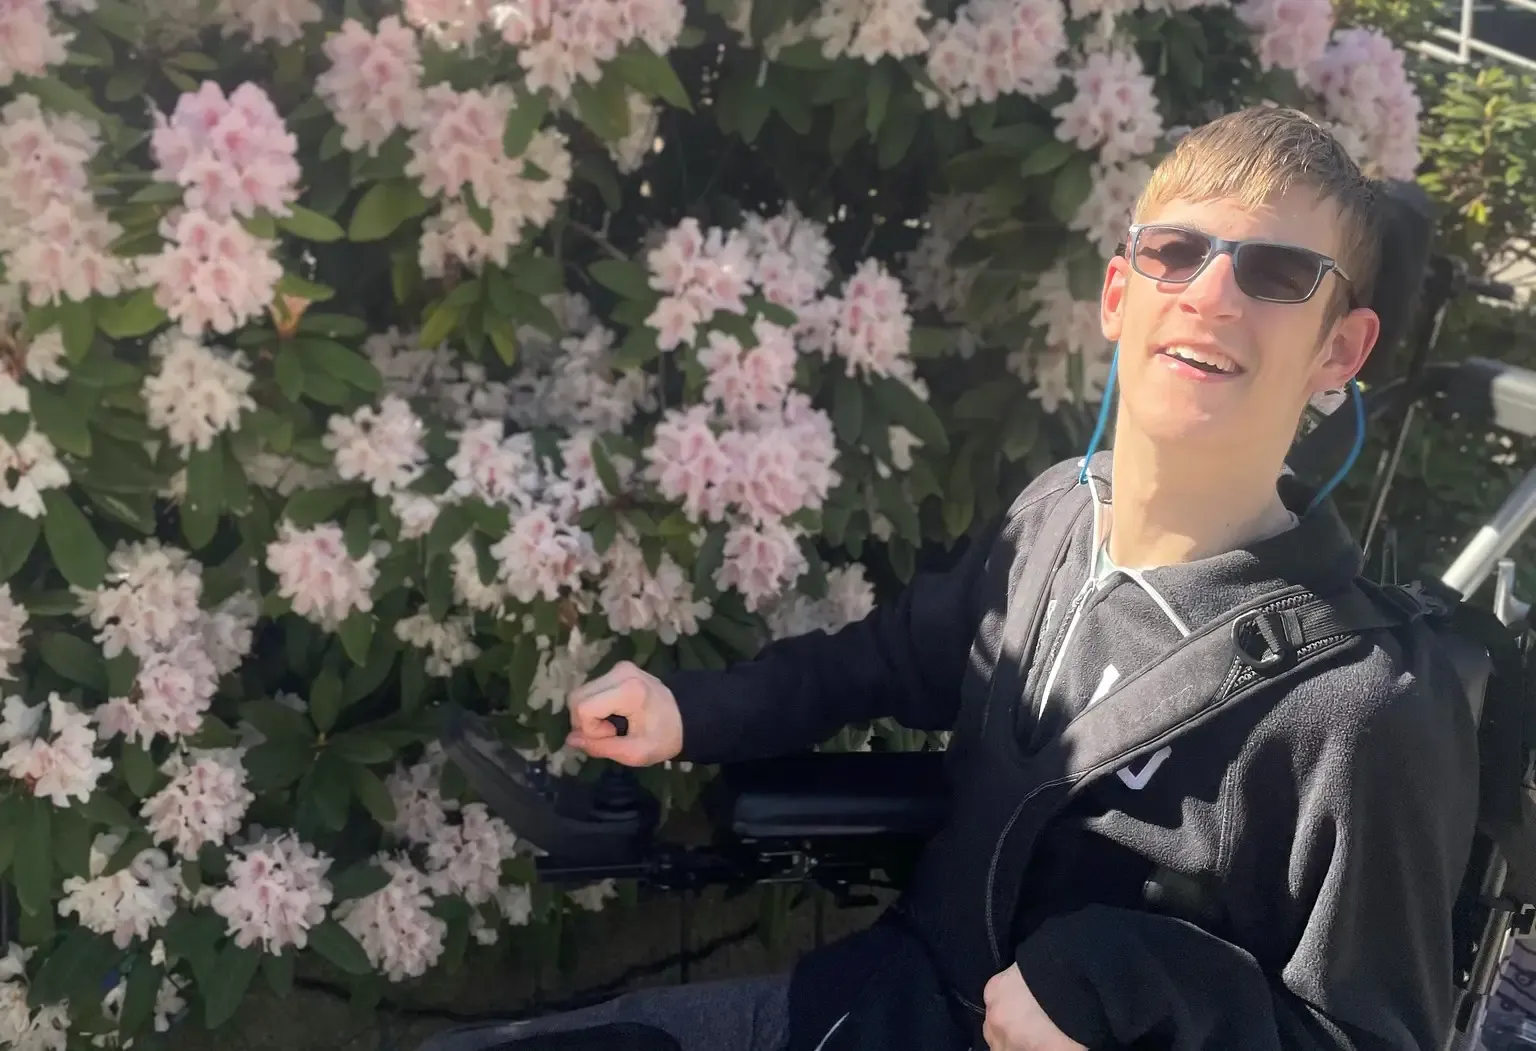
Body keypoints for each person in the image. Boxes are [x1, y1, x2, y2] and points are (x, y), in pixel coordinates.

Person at [443, 106, 1482, 1051]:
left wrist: (1127, 979)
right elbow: (888, 660)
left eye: (1277, 274)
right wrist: (689, 709)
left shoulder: (1362, 707)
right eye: (1176, 252)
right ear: (1119, 295)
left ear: (1340, 350)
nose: (1211, 294)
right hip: (876, 1002)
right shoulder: (1054, 520)